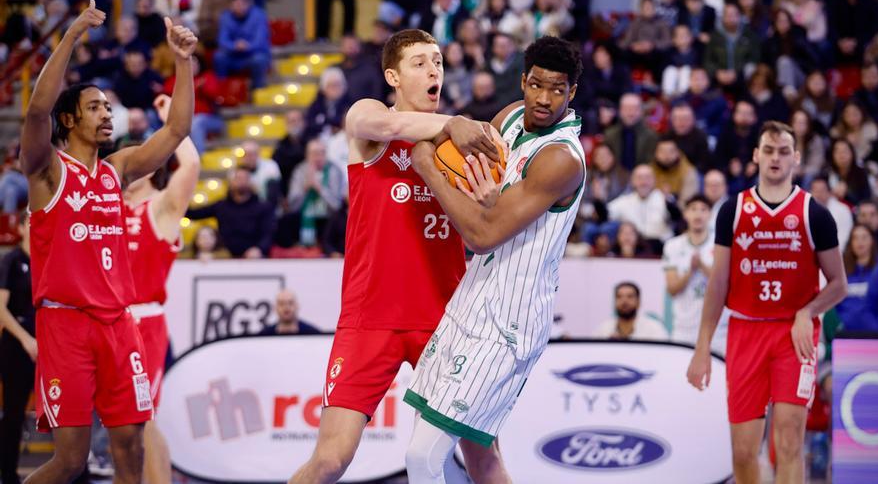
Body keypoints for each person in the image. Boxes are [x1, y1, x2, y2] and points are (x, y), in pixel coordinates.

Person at [290, 28, 507, 484]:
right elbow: (388, 127)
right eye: (420, 63)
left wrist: (491, 199)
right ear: (393, 76)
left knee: (484, 460)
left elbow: (487, 226)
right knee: (330, 460)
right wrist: (454, 122)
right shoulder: (369, 116)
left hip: (445, 320)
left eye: (438, 62)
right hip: (371, 318)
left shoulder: (461, 145)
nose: (433, 71)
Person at [18, 1, 197, 483]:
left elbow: (177, 130)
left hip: (119, 324)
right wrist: (72, 35)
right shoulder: (47, 170)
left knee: (131, 446)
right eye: (94, 107)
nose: (106, 114)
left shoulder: (117, 170)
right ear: (69, 120)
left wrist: (183, 63)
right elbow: (36, 111)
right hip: (66, 323)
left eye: (107, 106)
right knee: (71, 460)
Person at [404, 36, 586, 481]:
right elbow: (457, 149)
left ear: (572, 92)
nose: (544, 99)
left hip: (509, 324)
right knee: (480, 459)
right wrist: (454, 128)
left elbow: (483, 235)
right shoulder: (510, 118)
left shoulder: (561, 158)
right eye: (536, 85)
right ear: (522, 81)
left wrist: (427, 165)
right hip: (471, 299)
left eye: (557, 89)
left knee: (423, 457)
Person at [687, 121, 847, 484]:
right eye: (770, 151)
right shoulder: (733, 210)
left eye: (784, 151)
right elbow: (718, 284)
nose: (776, 158)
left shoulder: (814, 213)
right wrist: (702, 347)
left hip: (794, 335)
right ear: (757, 155)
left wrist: (808, 311)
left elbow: (839, 284)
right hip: (745, 331)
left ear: (796, 158)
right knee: (744, 453)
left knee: (788, 441)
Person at [122, 94, 200, 484]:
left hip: (143, 324)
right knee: (128, 424)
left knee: (141, 418)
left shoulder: (161, 207)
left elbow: (191, 165)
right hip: (108, 323)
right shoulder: (110, 207)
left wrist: (172, 121)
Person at [663, 195, 727, 353]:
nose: (698, 214)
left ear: (710, 215)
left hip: (718, 330)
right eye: (693, 209)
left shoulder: (722, 244)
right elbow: (672, 289)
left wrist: (703, 267)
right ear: (685, 214)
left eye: (703, 210)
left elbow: (726, 285)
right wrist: (690, 272)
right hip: (684, 329)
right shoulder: (673, 246)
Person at [0, 212, 35, 484]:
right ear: (22, 227)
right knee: (14, 413)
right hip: (17, 345)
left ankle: (75, 473)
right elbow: (1, 308)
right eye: (30, 223)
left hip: (51, 347)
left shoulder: (52, 259)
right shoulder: (11, 261)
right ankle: (8, 475)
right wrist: (26, 339)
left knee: (64, 415)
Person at [186, 167, 275, 258]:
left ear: (252, 183)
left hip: (254, 258)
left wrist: (259, 249)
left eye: (245, 178)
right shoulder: (221, 206)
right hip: (224, 257)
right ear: (230, 182)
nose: (242, 182)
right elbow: (193, 214)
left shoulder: (264, 207)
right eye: (238, 178)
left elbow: (268, 233)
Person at [837, 224, 878, 331]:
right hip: (845, 333)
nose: (859, 242)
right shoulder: (841, 269)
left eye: (864, 237)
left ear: (872, 240)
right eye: (855, 238)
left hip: (875, 333)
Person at [594, 282, 669, 340]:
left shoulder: (653, 329)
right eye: (619, 297)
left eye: (630, 297)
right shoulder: (604, 329)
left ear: (638, 302)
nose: (624, 301)